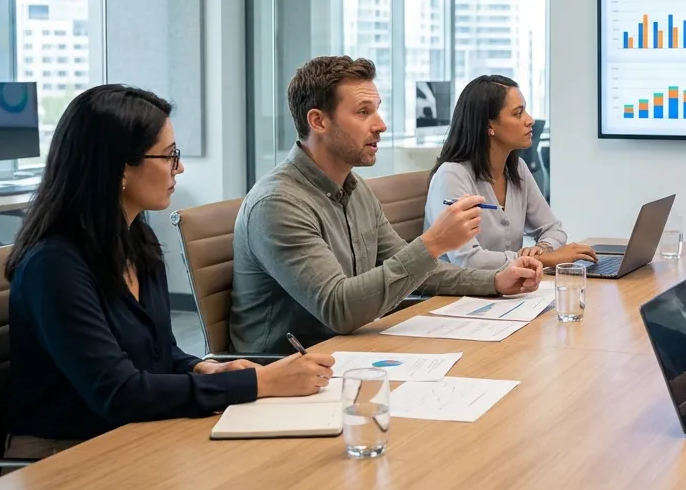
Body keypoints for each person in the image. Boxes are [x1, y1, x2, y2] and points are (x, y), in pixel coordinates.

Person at [5, 85, 333, 459]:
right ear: (119, 167)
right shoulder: (54, 266)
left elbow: (159, 354)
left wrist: (199, 367)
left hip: (133, 437)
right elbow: (119, 393)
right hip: (62, 458)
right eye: (169, 155)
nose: (179, 167)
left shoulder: (137, 240)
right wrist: (258, 382)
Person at [231, 56, 542, 354]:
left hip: (353, 351)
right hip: (289, 373)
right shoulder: (278, 204)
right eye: (363, 112)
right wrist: (433, 242)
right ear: (318, 121)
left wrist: (494, 281)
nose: (380, 125)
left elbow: (420, 271)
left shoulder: (356, 190)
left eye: (377, 110)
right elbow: (339, 309)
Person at [425, 75, 596, 269]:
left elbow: (553, 228)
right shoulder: (451, 176)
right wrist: (542, 260)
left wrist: (543, 248)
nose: (530, 120)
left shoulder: (517, 169)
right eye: (518, 113)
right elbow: (468, 259)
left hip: (507, 291)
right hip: (456, 295)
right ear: (489, 125)